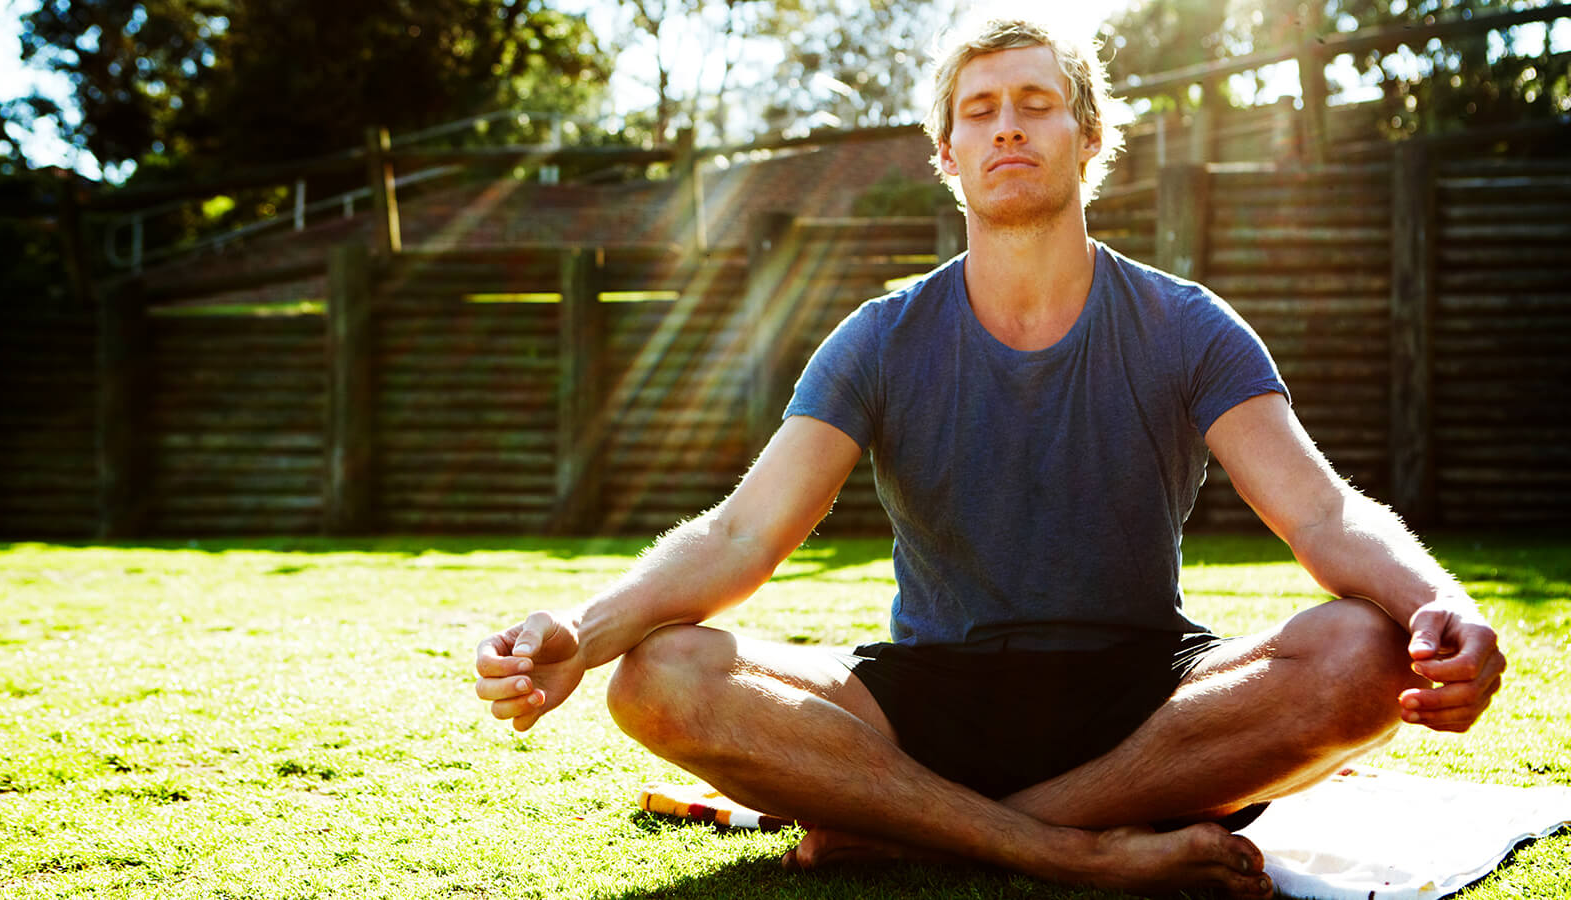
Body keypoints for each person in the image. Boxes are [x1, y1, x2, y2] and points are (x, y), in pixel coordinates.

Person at [476, 15, 1505, 899]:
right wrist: (585, 630)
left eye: (1034, 101)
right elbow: (743, 532)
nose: (1005, 123)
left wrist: (1434, 604)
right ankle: (1071, 857)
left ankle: (917, 830)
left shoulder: (1186, 327)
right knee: (656, 677)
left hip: (1147, 701)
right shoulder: (879, 338)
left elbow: (1321, 515)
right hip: (932, 695)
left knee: (1363, 654)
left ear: (1089, 136)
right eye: (977, 109)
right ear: (946, 152)